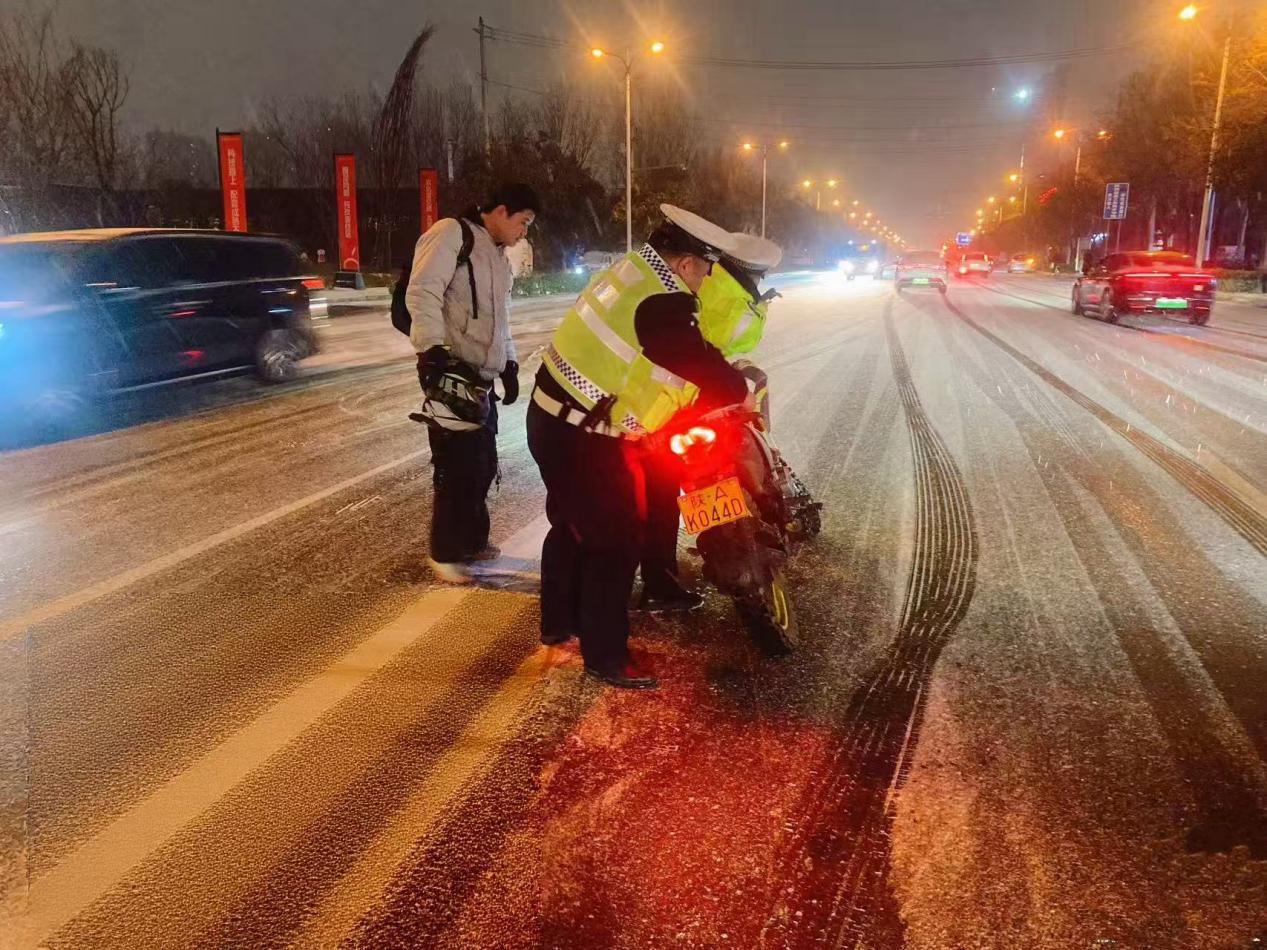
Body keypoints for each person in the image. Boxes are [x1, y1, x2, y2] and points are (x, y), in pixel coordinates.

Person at [527, 205, 749, 690]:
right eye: (707, 268)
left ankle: (559, 623)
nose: (709, 278)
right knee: (617, 541)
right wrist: (739, 387)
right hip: (586, 436)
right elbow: (702, 365)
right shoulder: (663, 303)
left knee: (571, 526)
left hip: (553, 417)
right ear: (687, 263)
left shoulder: (632, 271)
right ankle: (606, 656)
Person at [637, 232, 784, 612]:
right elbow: (698, 347)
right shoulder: (727, 294)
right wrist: (731, 385)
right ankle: (656, 582)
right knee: (657, 497)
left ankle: (659, 580)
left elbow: (705, 345)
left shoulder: (724, 289)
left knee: (660, 499)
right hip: (683, 402)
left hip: (679, 404)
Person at [406, 182, 540, 584]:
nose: (524, 232)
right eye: (523, 222)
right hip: (451, 370)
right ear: (500, 210)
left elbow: (501, 318)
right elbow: (422, 292)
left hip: (481, 376)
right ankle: (445, 551)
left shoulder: (499, 259)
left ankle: (471, 541)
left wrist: (510, 363)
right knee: (457, 464)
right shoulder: (451, 234)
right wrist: (431, 351)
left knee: (482, 465)